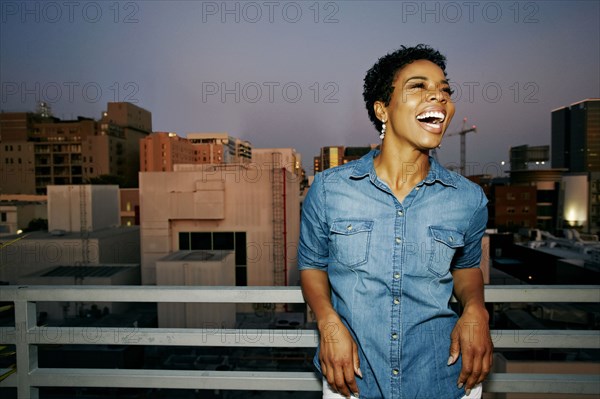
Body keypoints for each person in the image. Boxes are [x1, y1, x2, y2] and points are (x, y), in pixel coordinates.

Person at [298, 44, 493, 399]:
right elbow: (312, 266)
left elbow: (466, 269)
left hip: (444, 380)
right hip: (352, 384)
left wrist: (476, 309)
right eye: (418, 86)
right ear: (382, 109)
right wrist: (328, 323)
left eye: (445, 90)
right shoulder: (329, 190)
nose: (439, 95)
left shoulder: (468, 199)